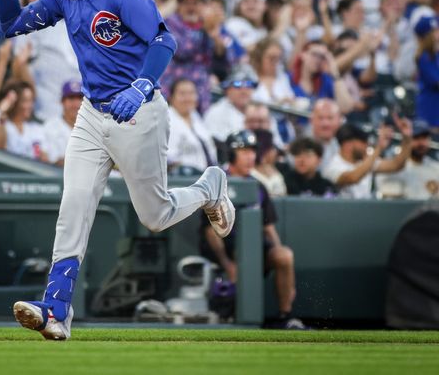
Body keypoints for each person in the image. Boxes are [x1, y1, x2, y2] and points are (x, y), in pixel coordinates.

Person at [0, 0, 234, 340]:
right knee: (74, 205)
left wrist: (142, 85)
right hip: (91, 112)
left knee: (155, 215)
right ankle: (55, 311)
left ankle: (207, 188)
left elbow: (164, 41)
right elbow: (13, 25)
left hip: (138, 113)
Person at [201, 130, 305, 330]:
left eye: (252, 151)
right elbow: (209, 231)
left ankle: (286, 315)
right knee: (236, 258)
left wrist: (279, 254)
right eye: (244, 151)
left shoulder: (258, 186)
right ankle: (228, 315)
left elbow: (268, 227)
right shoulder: (216, 181)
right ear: (231, 154)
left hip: (253, 249)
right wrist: (228, 264)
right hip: (224, 248)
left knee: (284, 255)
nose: (250, 156)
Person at [322, 121, 412, 199]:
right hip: (344, 214)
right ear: (348, 144)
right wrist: (379, 148)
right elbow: (353, 177)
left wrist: (407, 139)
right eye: (363, 141)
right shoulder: (332, 167)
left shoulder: (365, 162)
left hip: (366, 211)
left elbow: (396, 165)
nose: (367, 145)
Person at [376, 120, 439, 200]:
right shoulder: (392, 168)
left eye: (424, 138)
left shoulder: (436, 168)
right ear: (407, 140)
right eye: (416, 138)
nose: (421, 143)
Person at [166, 78, 216, 173]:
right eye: (182, 94)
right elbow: (169, 160)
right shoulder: (167, 120)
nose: (188, 98)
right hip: (182, 180)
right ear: (171, 97)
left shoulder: (196, 116)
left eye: (191, 93)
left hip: (204, 178)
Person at [42, 80, 84, 167]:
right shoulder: (51, 127)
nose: (76, 104)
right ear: (62, 101)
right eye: (71, 98)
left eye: (79, 98)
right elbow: (52, 163)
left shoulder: (93, 127)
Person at [414, 16, 439, 129]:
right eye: (434, 31)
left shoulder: (435, 55)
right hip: (430, 107)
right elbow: (436, 81)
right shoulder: (424, 57)